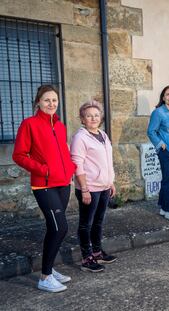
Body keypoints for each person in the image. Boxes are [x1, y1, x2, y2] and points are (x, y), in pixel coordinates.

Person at [12, 85, 76, 292]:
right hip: (44, 184)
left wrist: (70, 170)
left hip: (63, 183)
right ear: (38, 101)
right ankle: (45, 277)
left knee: (53, 228)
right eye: (47, 100)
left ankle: (49, 268)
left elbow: (63, 151)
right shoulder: (29, 124)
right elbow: (19, 155)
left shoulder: (60, 125)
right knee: (60, 227)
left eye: (54, 100)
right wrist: (43, 169)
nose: (51, 104)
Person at [70, 100, 117, 273]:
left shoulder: (103, 135)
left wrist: (110, 182)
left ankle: (97, 252)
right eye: (89, 116)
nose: (93, 118)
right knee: (86, 224)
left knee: (98, 221)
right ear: (82, 119)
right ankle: (86, 258)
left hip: (104, 187)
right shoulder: (80, 137)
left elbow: (107, 161)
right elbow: (77, 165)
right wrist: (84, 189)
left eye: (96, 115)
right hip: (89, 188)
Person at [147, 85, 169, 222]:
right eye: (168, 94)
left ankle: (163, 207)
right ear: (163, 97)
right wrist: (160, 144)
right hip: (166, 151)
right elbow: (151, 131)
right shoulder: (158, 112)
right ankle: (168, 210)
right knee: (168, 180)